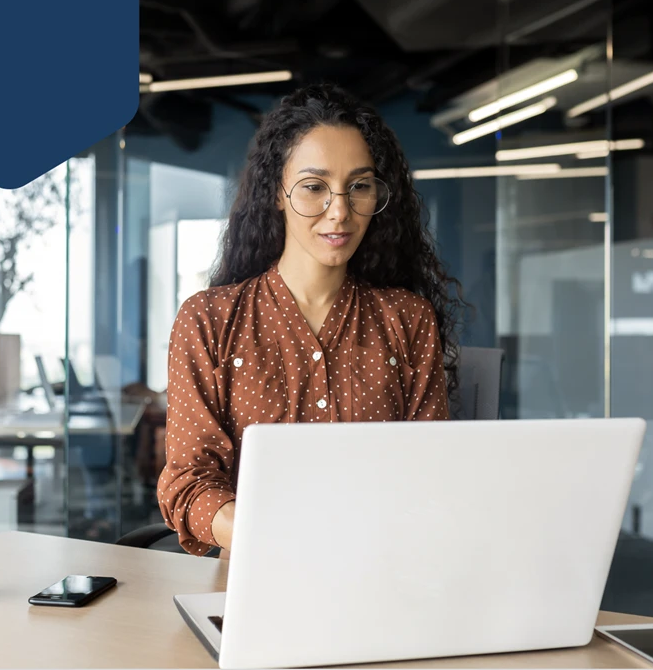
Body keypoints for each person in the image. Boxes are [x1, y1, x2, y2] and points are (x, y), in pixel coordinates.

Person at [156, 84, 466, 556]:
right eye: (314, 187)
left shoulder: (408, 320)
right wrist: (275, 537)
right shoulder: (209, 320)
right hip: (254, 580)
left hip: (381, 575)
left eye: (359, 186)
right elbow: (188, 482)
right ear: (277, 193)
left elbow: (431, 475)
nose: (339, 211)